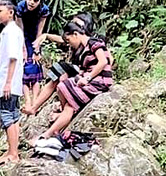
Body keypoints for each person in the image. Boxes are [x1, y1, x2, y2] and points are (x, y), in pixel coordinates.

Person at [35, 19, 114, 148]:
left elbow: (103, 62)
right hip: (89, 79)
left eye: (69, 40)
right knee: (61, 86)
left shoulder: (94, 43)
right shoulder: (84, 49)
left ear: (76, 34)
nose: (70, 44)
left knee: (68, 100)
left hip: (99, 81)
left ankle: (47, 134)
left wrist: (87, 78)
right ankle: (64, 112)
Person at [0, 0, 25, 166]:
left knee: (7, 117)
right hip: (13, 83)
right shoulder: (15, 31)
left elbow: (12, 58)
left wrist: (7, 83)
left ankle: (13, 153)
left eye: (0, 11)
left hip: (9, 83)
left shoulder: (10, 32)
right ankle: (12, 149)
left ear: (10, 12)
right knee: (13, 116)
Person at [17, 0, 51, 109]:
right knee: (24, 68)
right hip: (21, 36)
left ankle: (35, 100)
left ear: (40, 1)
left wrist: (37, 49)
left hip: (35, 37)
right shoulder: (20, 7)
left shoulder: (43, 10)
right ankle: (27, 101)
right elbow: (19, 28)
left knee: (35, 67)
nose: (31, 2)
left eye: (35, 0)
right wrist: (23, 49)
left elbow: (40, 31)